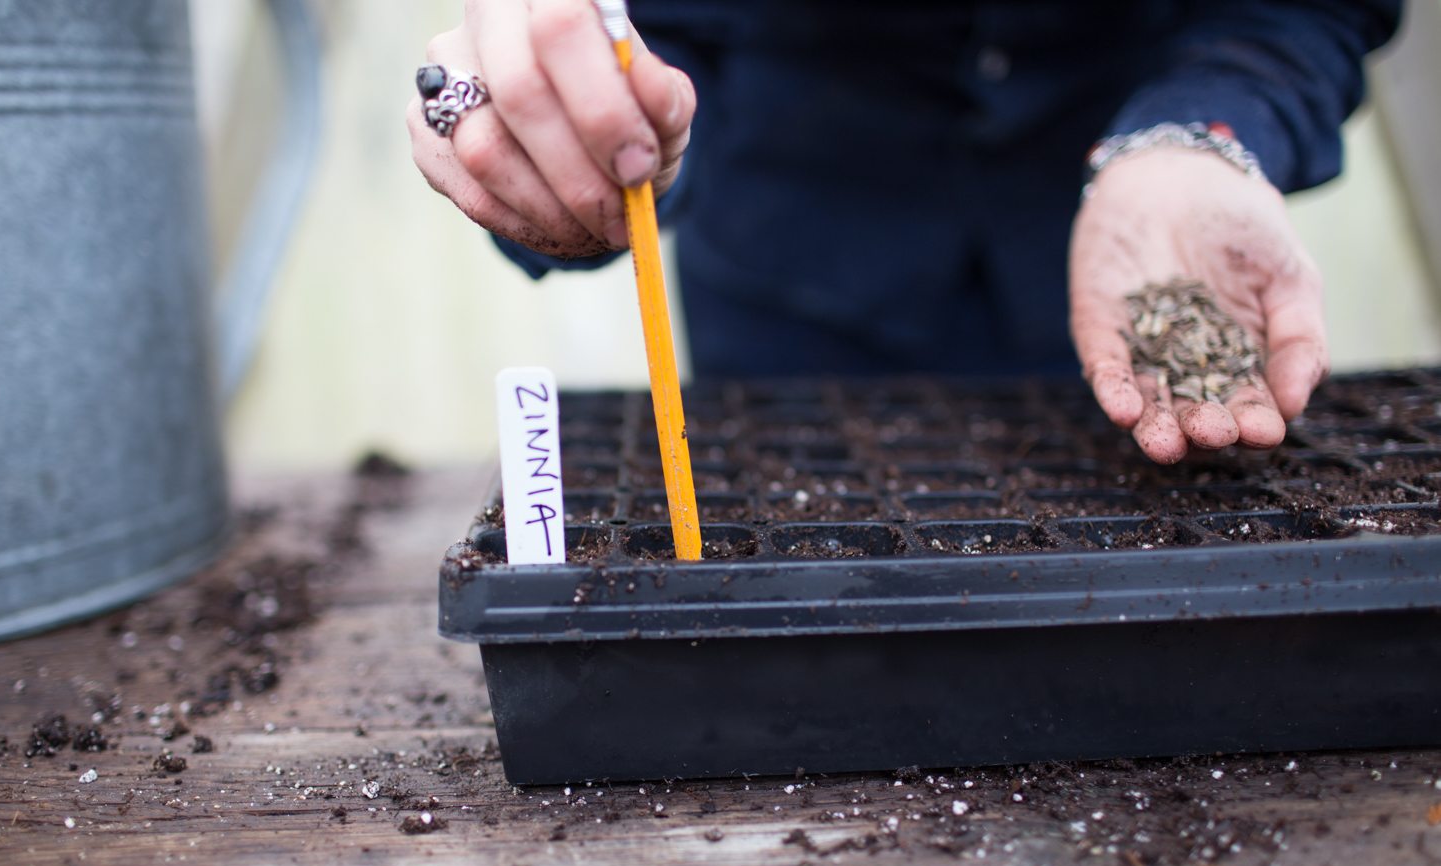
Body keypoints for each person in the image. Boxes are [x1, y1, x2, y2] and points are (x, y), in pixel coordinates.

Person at [408, 0, 1402, 465]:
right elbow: (655, 33)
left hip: (1156, 260)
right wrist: (568, 120)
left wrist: (1198, 135)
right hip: (797, 293)